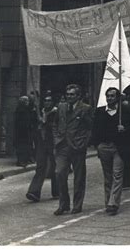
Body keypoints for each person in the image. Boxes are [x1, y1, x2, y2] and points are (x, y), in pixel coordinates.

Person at [91, 87, 130, 215]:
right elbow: (95, 128)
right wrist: (97, 144)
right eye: (108, 96)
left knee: (117, 175)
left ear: (117, 98)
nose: (110, 98)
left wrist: (124, 128)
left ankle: (113, 203)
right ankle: (107, 202)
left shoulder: (125, 111)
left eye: (112, 96)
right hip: (104, 146)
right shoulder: (100, 111)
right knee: (107, 176)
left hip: (119, 147)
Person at [52, 84, 93, 215]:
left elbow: (90, 128)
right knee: (59, 173)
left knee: (79, 177)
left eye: (72, 94)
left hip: (77, 146)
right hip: (62, 145)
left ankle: (77, 204)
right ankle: (64, 204)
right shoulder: (61, 106)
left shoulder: (85, 108)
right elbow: (55, 123)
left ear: (78, 96)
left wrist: (84, 143)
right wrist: (56, 137)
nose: (69, 96)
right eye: (68, 94)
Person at [26, 94, 59, 202]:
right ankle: (34, 191)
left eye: (49, 101)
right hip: (41, 142)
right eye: (45, 100)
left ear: (53, 102)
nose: (47, 102)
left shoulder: (56, 113)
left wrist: (42, 120)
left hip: (53, 142)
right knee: (40, 166)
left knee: (55, 167)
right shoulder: (41, 112)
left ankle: (57, 191)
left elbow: (53, 126)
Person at [13, 96, 36, 168]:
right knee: (21, 147)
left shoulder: (26, 110)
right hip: (21, 132)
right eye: (27, 101)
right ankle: (20, 161)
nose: (28, 103)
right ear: (23, 102)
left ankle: (24, 160)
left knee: (25, 146)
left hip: (25, 132)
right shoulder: (20, 110)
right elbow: (20, 122)